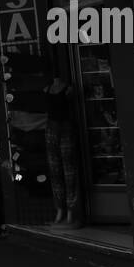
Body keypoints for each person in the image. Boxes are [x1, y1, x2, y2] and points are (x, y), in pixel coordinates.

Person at [44, 78, 81, 227]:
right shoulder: (47, 88)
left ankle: (70, 210)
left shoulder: (68, 89)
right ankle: (60, 209)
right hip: (52, 129)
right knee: (56, 171)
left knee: (69, 171)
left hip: (64, 129)